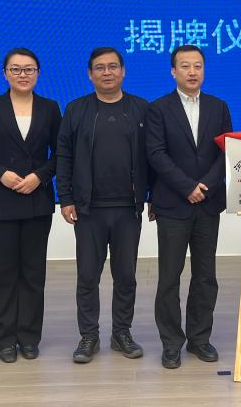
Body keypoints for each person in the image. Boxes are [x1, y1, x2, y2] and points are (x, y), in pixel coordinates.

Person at [0, 47, 61, 363]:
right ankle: (5, 340)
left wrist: (40, 176)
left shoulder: (50, 108)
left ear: (38, 73)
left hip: (36, 200)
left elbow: (62, 153)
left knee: (33, 273)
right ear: (5, 73)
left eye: (29, 69)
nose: (23, 75)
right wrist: (1, 174)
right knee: (2, 274)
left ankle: (29, 337)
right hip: (0, 202)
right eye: (16, 69)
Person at [56, 47, 150, 364]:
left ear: (123, 71)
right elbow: (63, 156)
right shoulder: (76, 109)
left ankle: (121, 333)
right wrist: (65, 198)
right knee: (87, 276)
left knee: (126, 276)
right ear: (90, 74)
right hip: (88, 209)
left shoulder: (141, 109)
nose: (106, 72)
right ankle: (89, 336)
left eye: (112, 66)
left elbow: (154, 155)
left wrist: (153, 196)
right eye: (100, 67)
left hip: (127, 208)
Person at [145, 45, 233, 369]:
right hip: (173, 204)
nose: (192, 72)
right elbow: (156, 155)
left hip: (207, 204)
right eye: (185, 66)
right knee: (169, 277)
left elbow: (226, 152)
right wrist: (187, 187)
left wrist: (204, 187)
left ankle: (199, 339)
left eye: (198, 66)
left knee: (206, 276)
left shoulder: (218, 106)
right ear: (173, 71)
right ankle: (171, 343)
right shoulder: (158, 109)